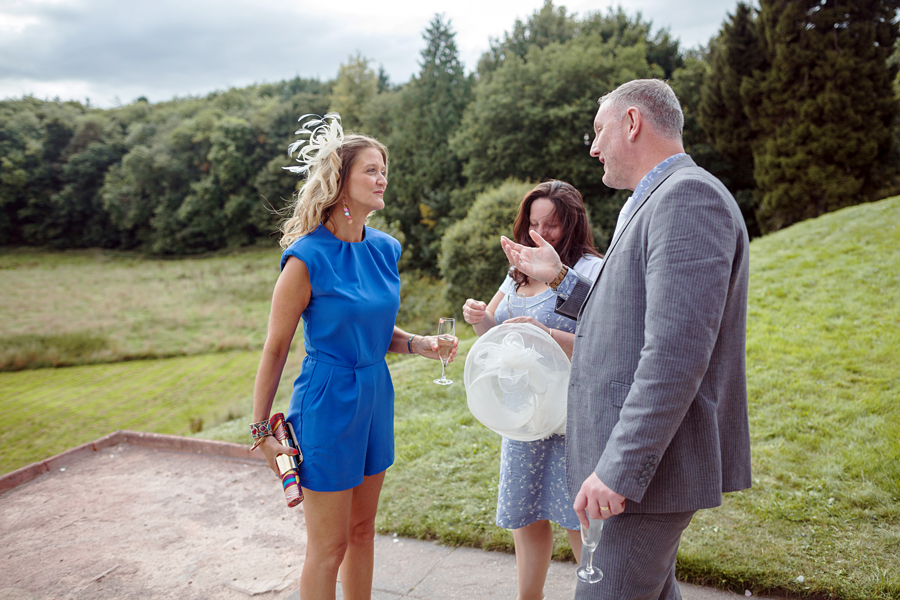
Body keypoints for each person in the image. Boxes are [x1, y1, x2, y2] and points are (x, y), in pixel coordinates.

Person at [500, 79, 752, 600]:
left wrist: (618, 470)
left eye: (599, 132)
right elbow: (624, 319)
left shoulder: (688, 198)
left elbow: (674, 355)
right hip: (641, 473)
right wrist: (560, 277)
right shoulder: (653, 198)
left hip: (648, 475)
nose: (592, 148)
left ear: (633, 123)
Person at [249, 114, 456, 600]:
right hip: (326, 400)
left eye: (384, 169)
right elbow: (276, 348)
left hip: (375, 396)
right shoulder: (306, 259)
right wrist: (262, 433)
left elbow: (376, 329)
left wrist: (417, 344)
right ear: (340, 183)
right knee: (328, 548)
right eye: (370, 170)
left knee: (364, 534)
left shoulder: (385, 249)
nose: (382, 178)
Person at [463, 180, 603, 600]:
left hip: (569, 415)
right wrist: (477, 320)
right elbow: (496, 330)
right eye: (534, 222)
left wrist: (547, 333)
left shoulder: (590, 270)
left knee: (575, 516)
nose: (541, 232)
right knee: (526, 514)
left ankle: (597, 592)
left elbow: (606, 346)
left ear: (573, 223)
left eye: (553, 224)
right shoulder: (516, 272)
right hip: (524, 414)